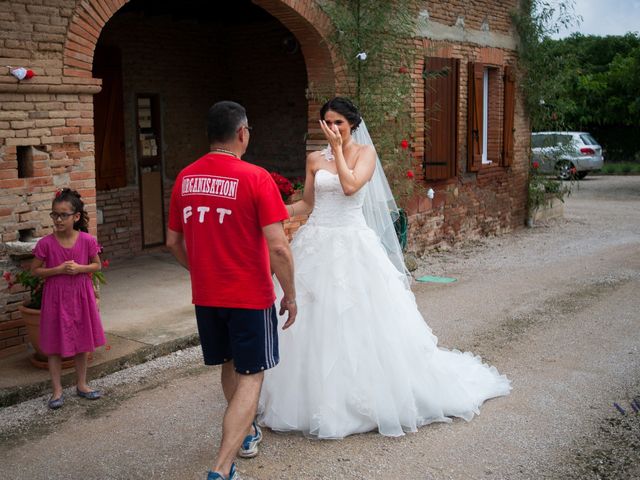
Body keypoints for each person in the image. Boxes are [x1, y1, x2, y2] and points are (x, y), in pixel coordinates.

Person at [258, 97, 511, 439]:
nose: (333, 129)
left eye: (339, 124)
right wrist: (269, 211)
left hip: (353, 244)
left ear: (352, 125)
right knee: (314, 317)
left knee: (359, 318)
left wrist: (339, 149)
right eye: (328, 123)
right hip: (317, 241)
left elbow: (349, 187)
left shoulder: (365, 155)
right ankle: (308, 394)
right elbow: (308, 202)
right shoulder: (315, 159)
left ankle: (364, 397)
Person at [166, 101, 297, 480]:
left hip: (207, 296)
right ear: (242, 133)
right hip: (248, 295)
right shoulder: (256, 178)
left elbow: (173, 242)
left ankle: (247, 433)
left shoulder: (185, 178)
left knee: (229, 364)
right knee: (252, 374)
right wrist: (290, 294)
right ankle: (221, 469)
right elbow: (278, 247)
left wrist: (202, 269)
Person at [32, 188, 106, 410]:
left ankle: (82, 385)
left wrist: (80, 268)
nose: (58, 219)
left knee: (82, 342)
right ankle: (57, 390)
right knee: (54, 345)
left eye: (63, 215)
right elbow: (35, 270)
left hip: (80, 296)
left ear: (76, 216)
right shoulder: (46, 243)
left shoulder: (87, 240)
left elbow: (97, 265)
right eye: (54, 214)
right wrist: (57, 269)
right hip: (56, 298)